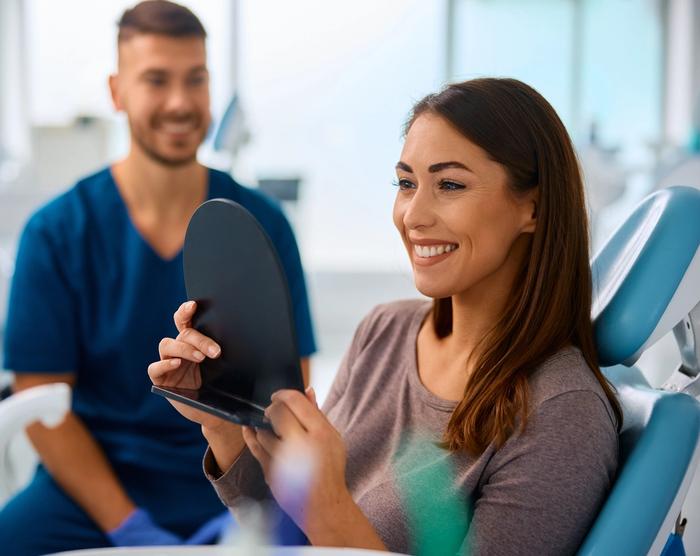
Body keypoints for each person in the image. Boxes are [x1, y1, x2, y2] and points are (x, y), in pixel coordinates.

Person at [150, 78, 622, 555]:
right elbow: (289, 531)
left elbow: (321, 516)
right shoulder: (384, 331)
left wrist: (328, 502)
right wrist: (222, 422)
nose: (413, 215)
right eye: (406, 183)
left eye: (450, 185)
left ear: (533, 208)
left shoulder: (562, 411)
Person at [0, 1, 315, 554]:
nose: (180, 102)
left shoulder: (262, 223)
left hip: (234, 477)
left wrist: (245, 500)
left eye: (195, 80)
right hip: (92, 491)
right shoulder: (56, 232)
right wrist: (128, 527)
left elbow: (288, 392)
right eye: (156, 80)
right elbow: (41, 404)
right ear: (117, 91)